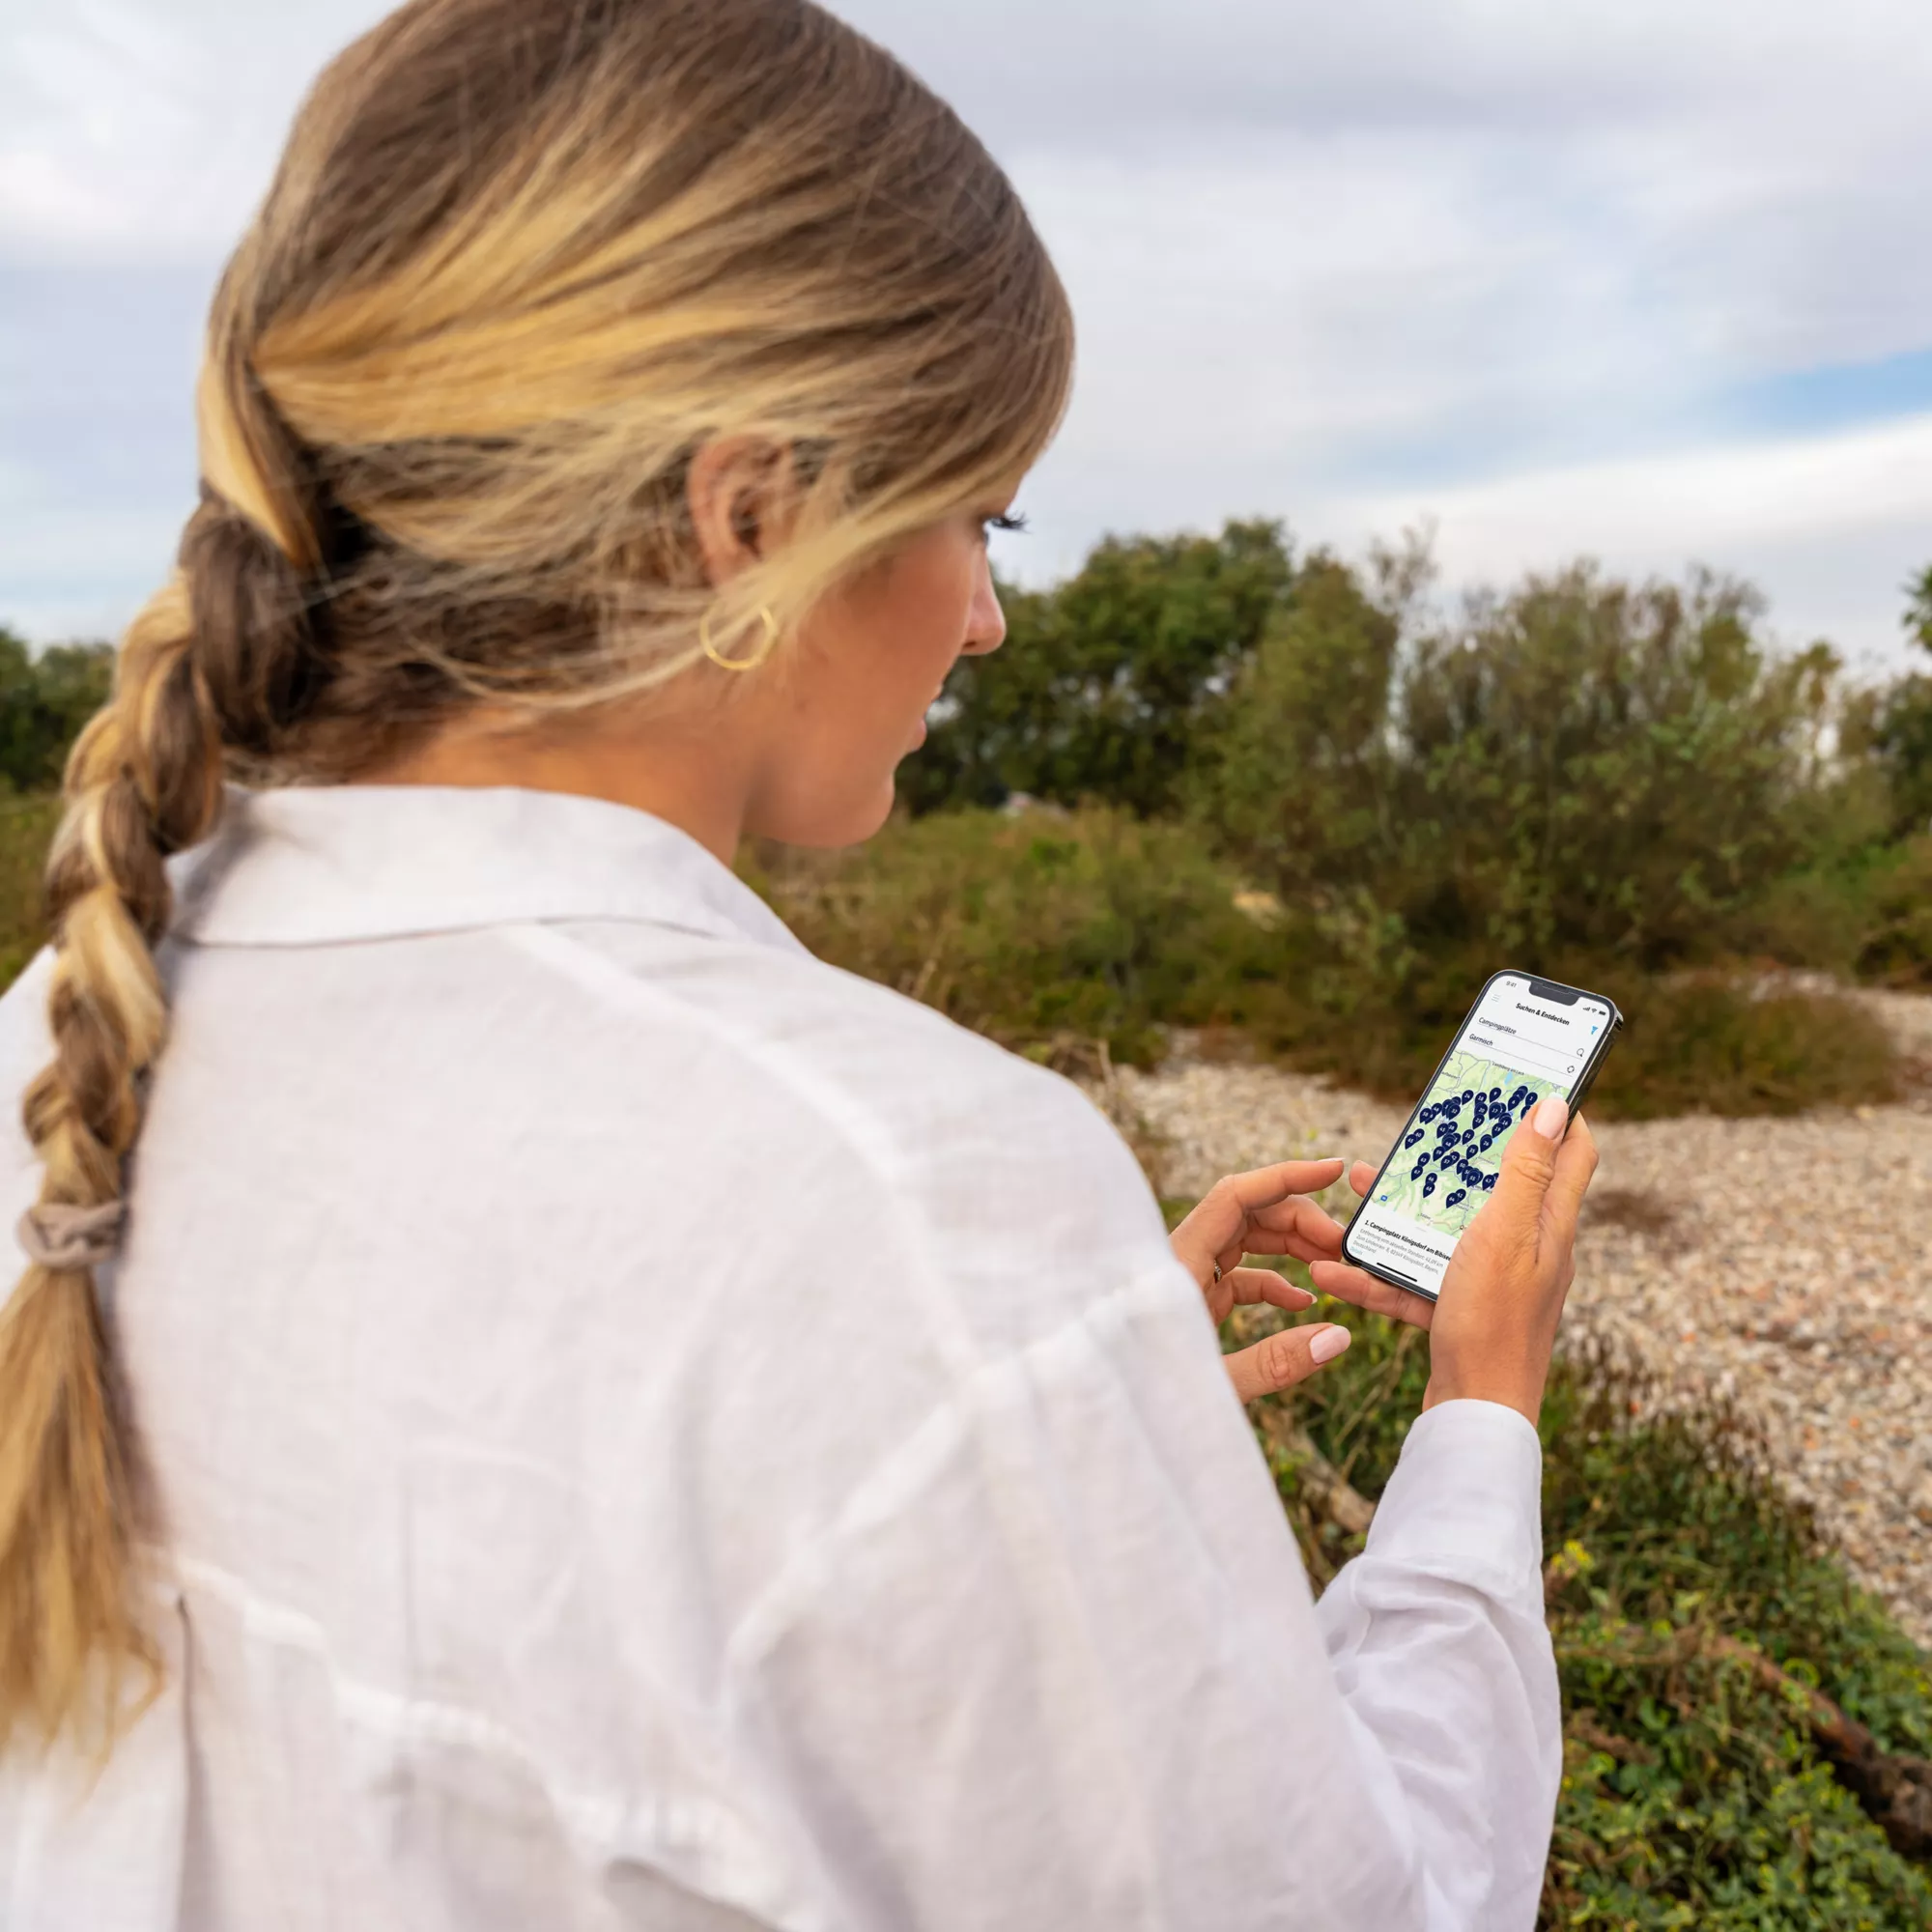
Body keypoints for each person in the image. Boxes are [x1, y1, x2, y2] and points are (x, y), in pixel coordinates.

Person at [0, 2, 1598, 1925]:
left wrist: (1045, 1434)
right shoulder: (908, 1206)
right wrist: (1478, 1417)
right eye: (977, 515)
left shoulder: (66, 1053)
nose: (990, 616)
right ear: (750, 513)